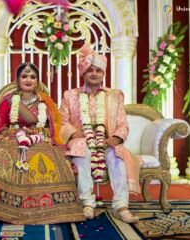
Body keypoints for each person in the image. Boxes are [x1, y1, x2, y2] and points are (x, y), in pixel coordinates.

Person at [0, 62, 85, 224]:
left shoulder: (46, 102)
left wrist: (41, 134)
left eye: (32, 77)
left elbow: (54, 127)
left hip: (38, 138)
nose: (28, 80)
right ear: (17, 80)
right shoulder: (8, 101)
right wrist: (14, 133)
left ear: (37, 81)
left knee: (52, 155)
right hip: (12, 136)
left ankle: (50, 207)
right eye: (24, 76)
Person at [59, 44, 141, 223]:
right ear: (83, 73)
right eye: (90, 70)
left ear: (104, 74)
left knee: (117, 155)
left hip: (107, 140)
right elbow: (62, 122)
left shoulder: (115, 95)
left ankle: (121, 206)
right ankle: (87, 203)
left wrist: (116, 138)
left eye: (98, 70)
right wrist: (74, 134)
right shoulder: (70, 95)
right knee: (81, 150)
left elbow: (122, 124)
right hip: (81, 139)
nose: (94, 73)